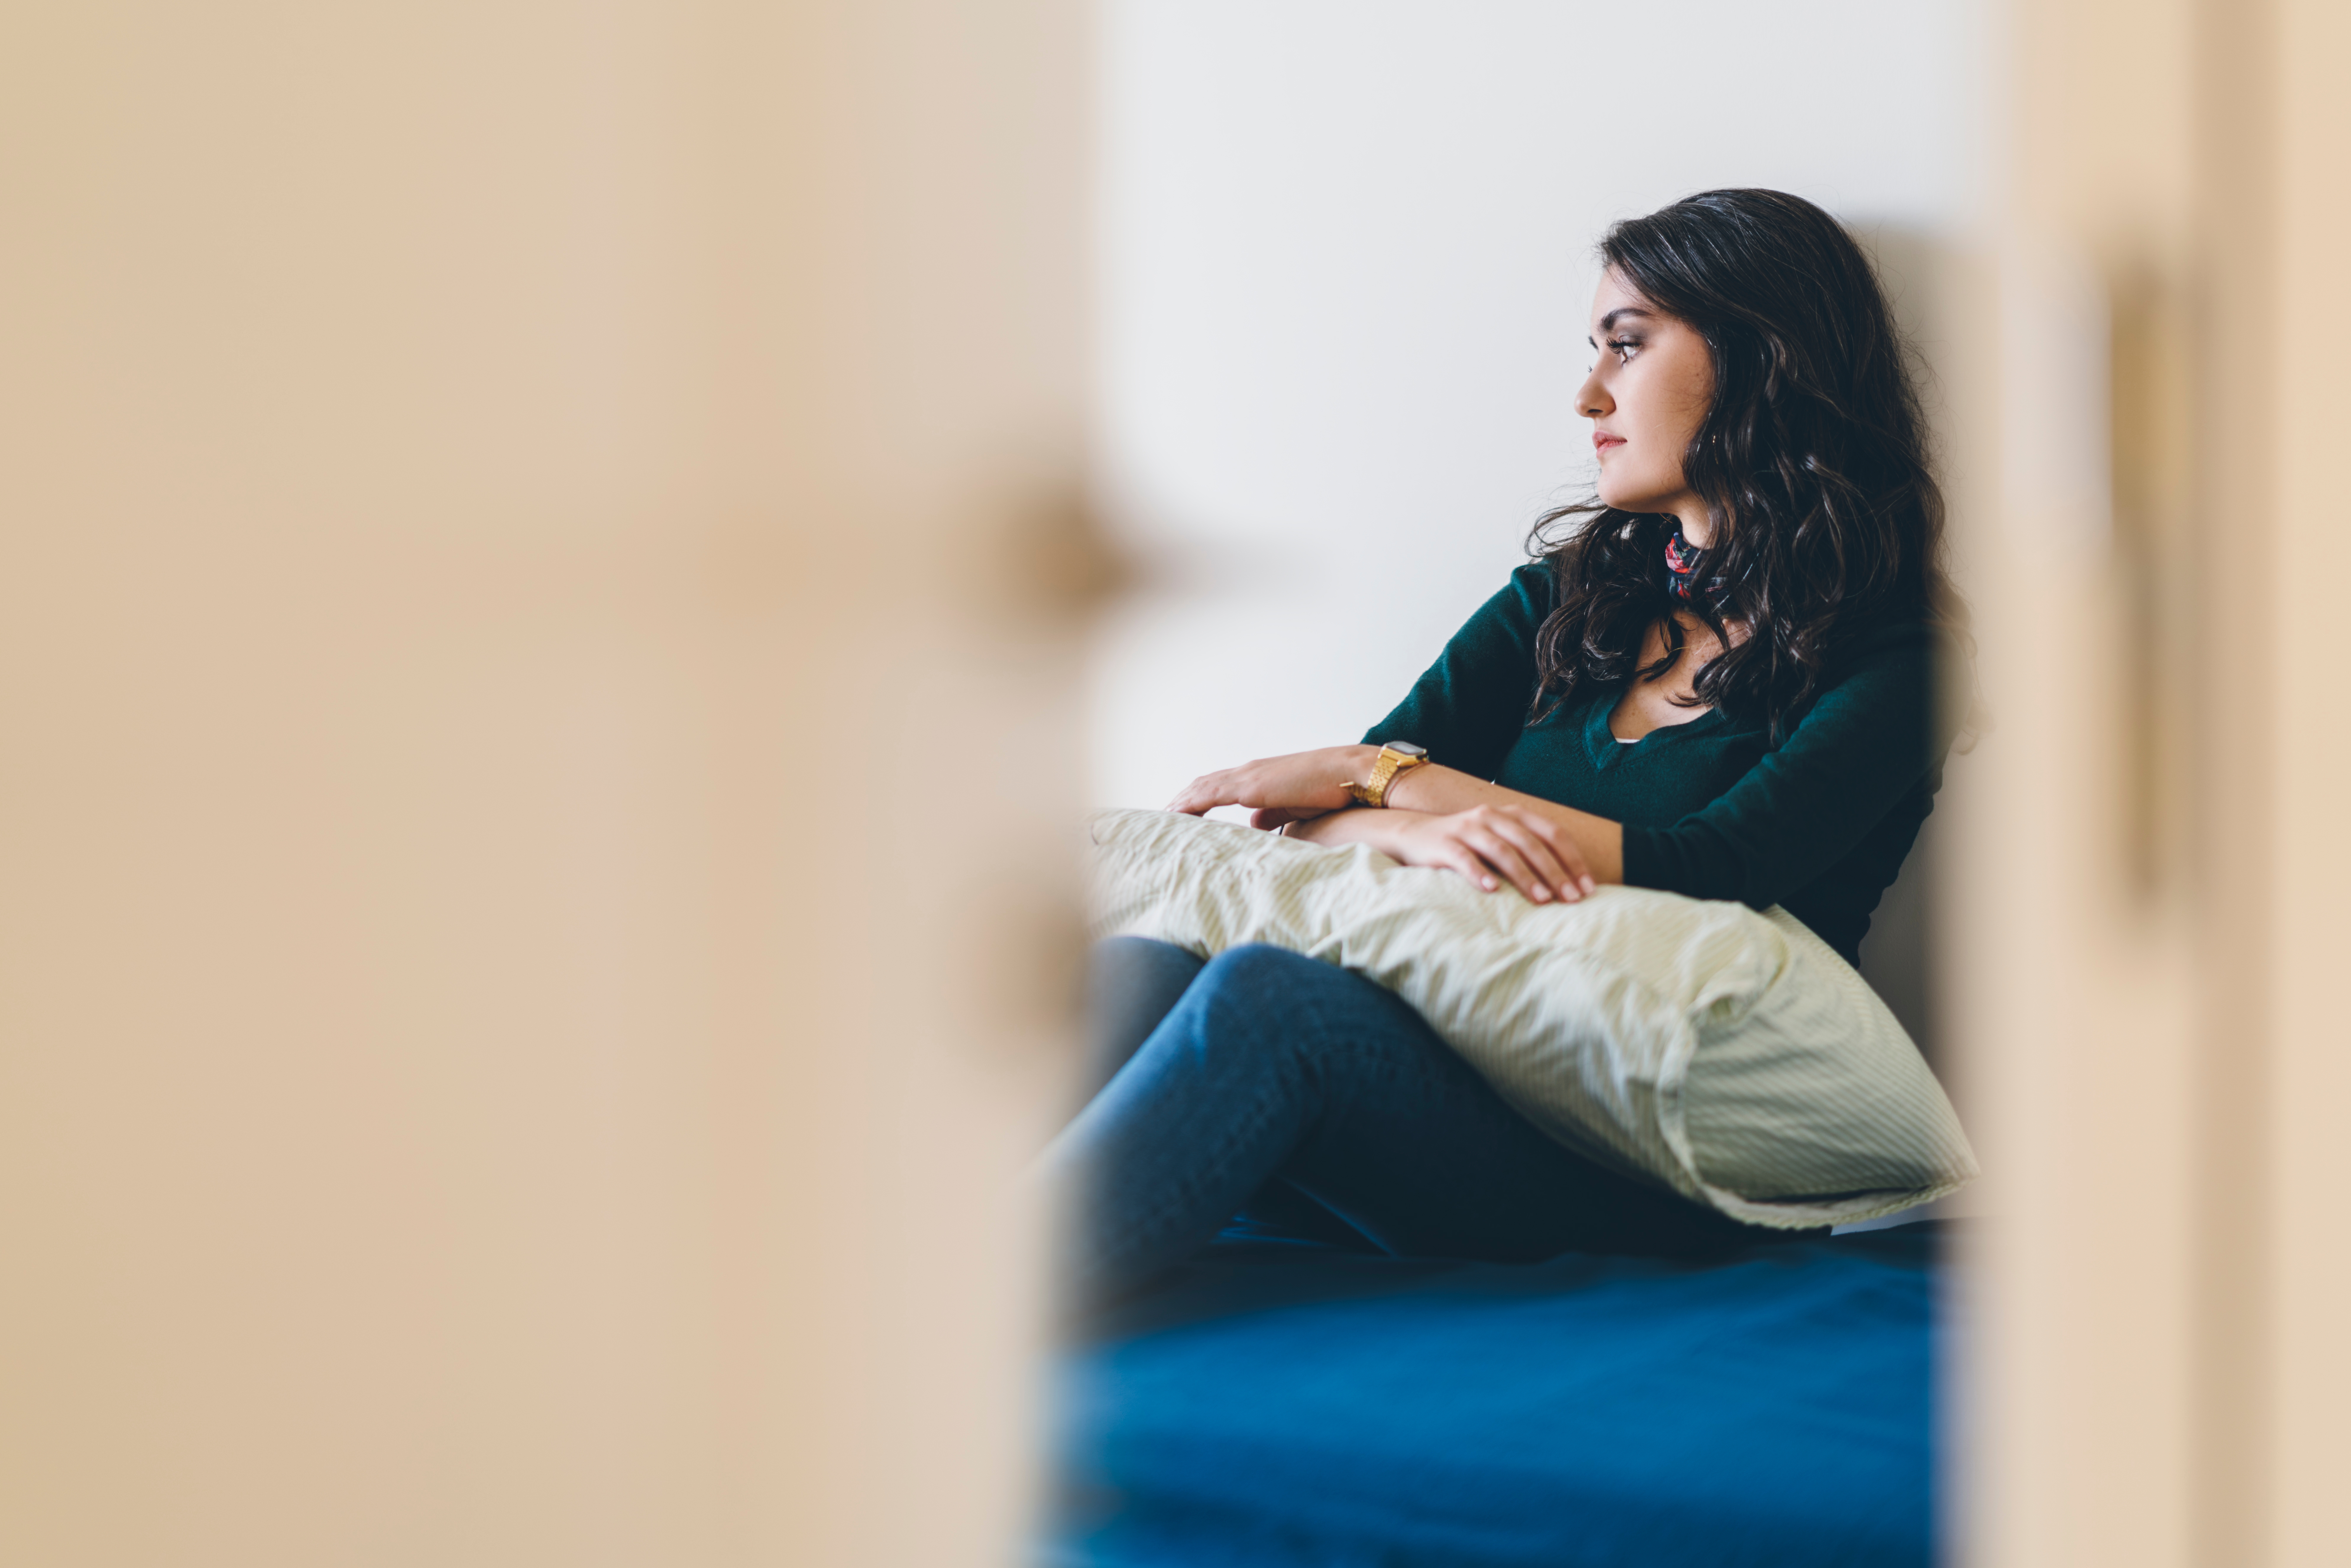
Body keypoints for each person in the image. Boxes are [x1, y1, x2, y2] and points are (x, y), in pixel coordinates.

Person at [1050, 189, 1968, 1300]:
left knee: (1266, 1003)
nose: (1589, 396)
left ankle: (942, 1335)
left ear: (1759, 357)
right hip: (1455, 1097)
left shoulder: (1902, 657)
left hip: (1657, 1168)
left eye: (1627, 346)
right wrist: (1413, 829)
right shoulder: (1570, 601)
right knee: (1147, 964)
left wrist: (1383, 780)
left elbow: (1715, 866)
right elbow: (1319, 829)